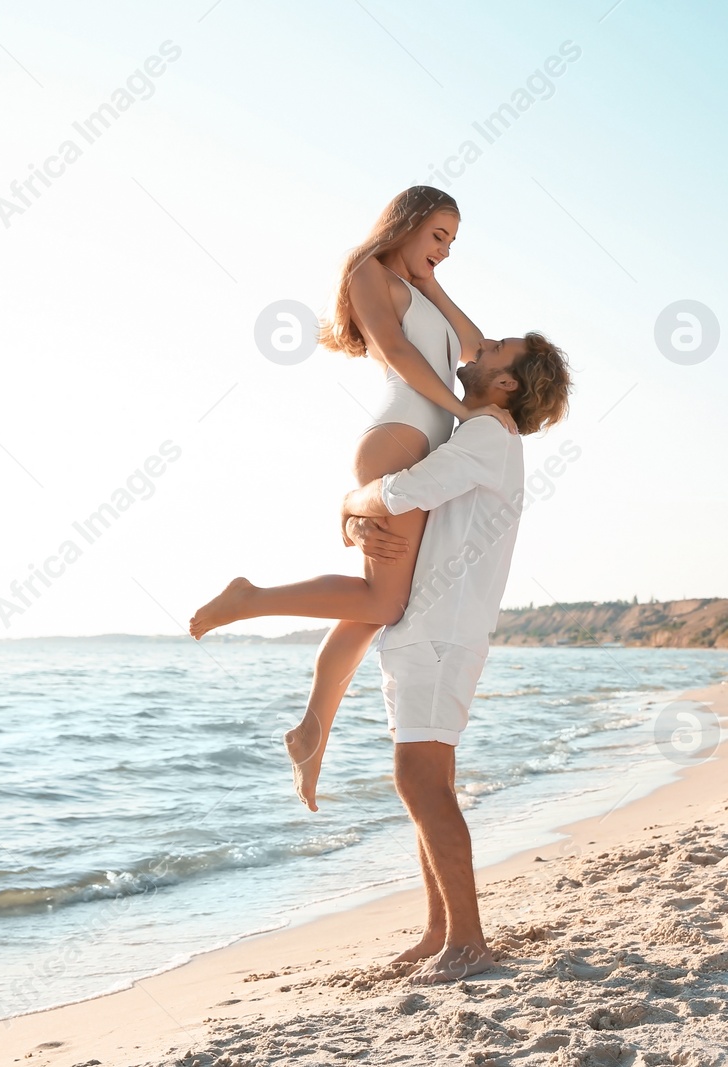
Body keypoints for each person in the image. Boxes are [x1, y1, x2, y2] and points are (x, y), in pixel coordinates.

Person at [188, 186, 515, 811]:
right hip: (399, 438)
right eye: (437, 235)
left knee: (379, 605)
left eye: (451, 242)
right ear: (409, 222)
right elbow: (395, 351)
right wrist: (461, 414)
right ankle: (250, 600)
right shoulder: (368, 272)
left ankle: (313, 734)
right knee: (382, 600)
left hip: (422, 445)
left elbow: (473, 346)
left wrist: (433, 283)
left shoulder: (421, 289)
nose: (444, 250)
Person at [342, 334, 572, 983]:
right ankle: (441, 929)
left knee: (420, 781)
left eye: (497, 348)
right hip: (438, 630)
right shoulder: (488, 433)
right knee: (427, 782)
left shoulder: (489, 436)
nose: (480, 344)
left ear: (506, 385)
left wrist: (348, 502)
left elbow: (401, 491)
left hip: (439, 633)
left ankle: (467, 940)